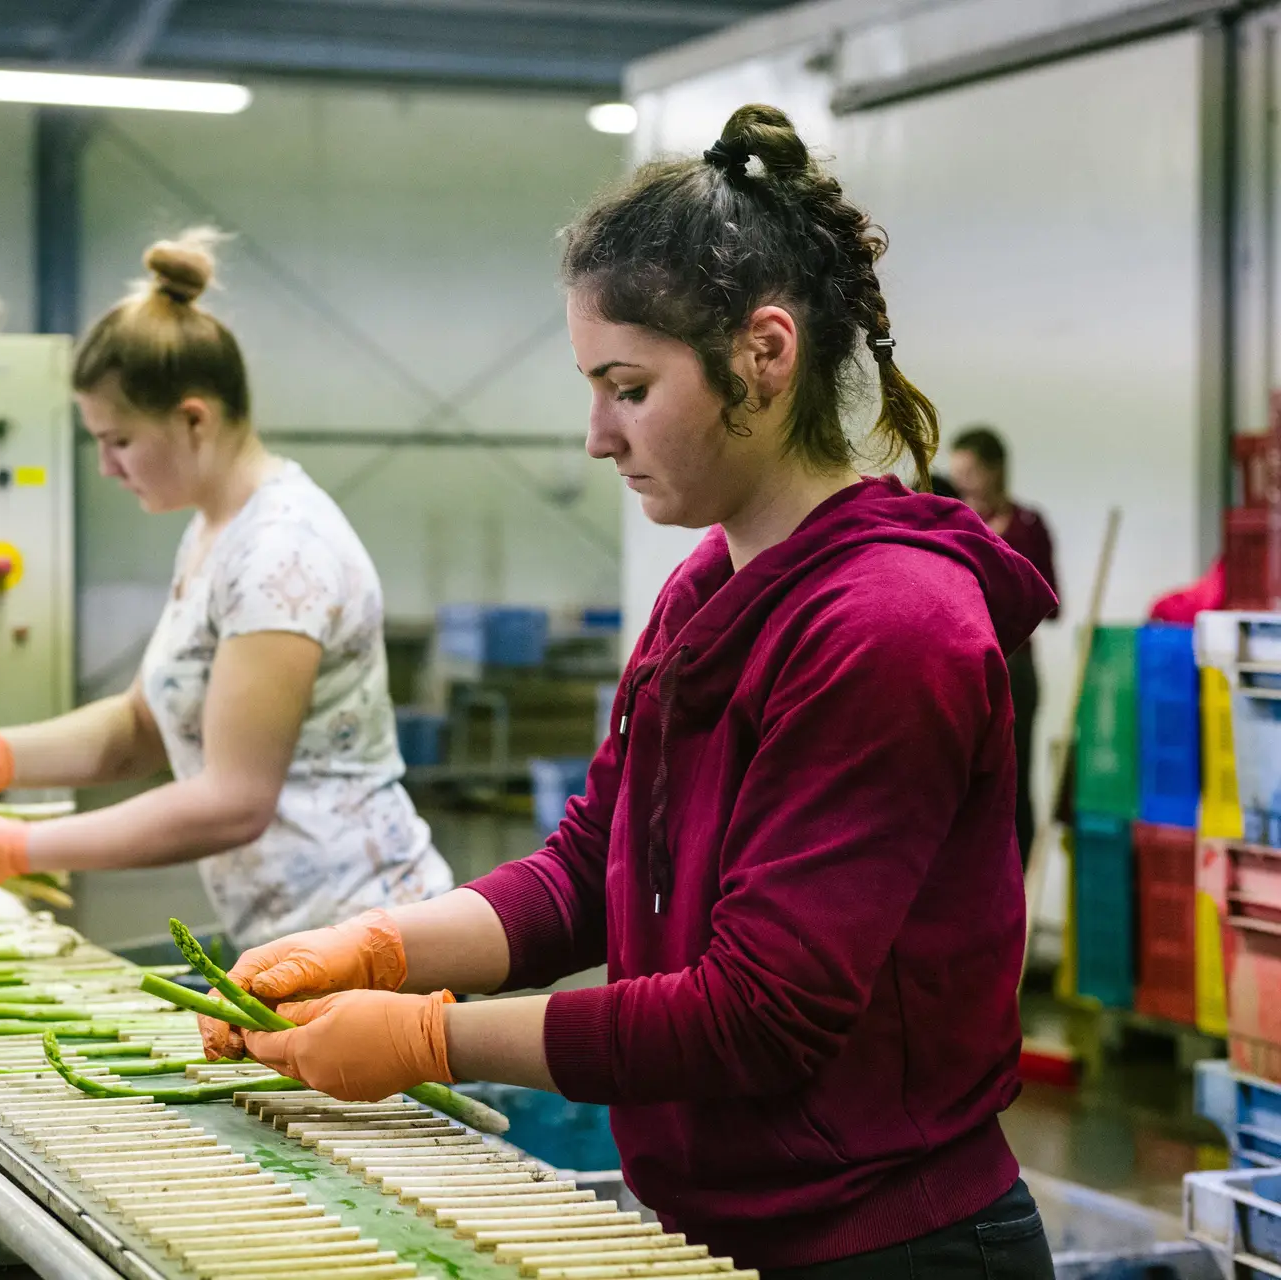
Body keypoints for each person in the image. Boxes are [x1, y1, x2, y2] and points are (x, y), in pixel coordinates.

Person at [200, 106, 1058, 1277]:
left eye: (629, 386)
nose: (597, 436)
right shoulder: (710, 591)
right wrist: (378, 946)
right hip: (728, 1224)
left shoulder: (887, 627)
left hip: (886, 1242)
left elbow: (760, 1011)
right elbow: (585, 874)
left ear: (765, 352)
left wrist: (431, 1037)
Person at [0, 230, 453, 948]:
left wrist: (12, 848)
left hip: (366, 939)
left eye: (118, 440)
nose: (106, 467)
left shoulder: (283, 552)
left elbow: (232, 803)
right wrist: (0, 753)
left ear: (194, 419)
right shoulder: (213, 533)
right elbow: (144, 726)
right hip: (290, 937)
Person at [948, 426, 1060, 868]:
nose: (962, 485)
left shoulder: (1027, 526)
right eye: (957, 475)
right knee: (961, 784)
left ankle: (1021, 889)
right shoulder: (951, 521)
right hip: (960, 664)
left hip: (1013, 666)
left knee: (1012, 782)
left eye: (970, 473)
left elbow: (1052, 604)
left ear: (995, 471)